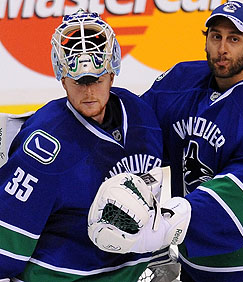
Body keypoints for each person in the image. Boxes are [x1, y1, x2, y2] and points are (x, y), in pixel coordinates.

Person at [141, 1, 243, 281]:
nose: (222, 48)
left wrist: (170, 220)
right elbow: (137, 132)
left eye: (234, 39)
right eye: (216, 36)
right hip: (201, 268)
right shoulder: (181, 83)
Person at [0, 9, 163, 281]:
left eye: (97, 80)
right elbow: (8, 241)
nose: (88, 92)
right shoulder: (44, 146)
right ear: (63, 79)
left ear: (112, 75)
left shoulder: (140, 115)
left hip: (129, 273)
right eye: (78, 82)